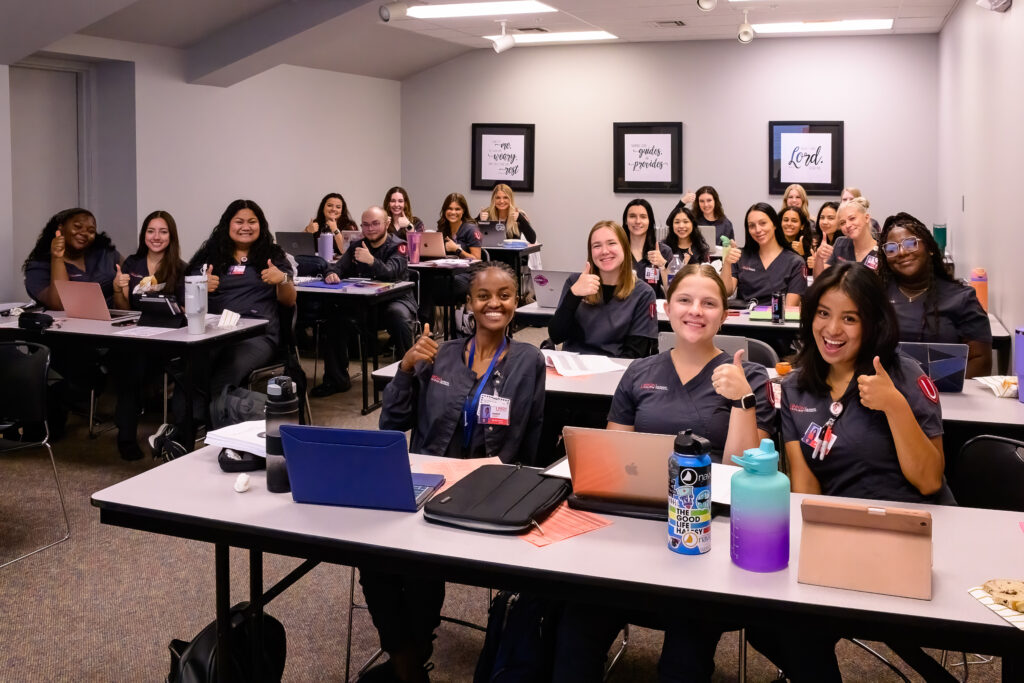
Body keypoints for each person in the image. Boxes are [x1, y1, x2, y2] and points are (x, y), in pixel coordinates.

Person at [553, 265, 839, 683]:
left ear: (724, 315)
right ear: (668, 308)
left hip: (712, 533)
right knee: (577, 624)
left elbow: (742, 475)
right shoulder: (640, 372)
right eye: (685, 301)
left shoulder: (752, 377)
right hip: (640, 525)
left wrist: (741, 400)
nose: (695, 311)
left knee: (685, 654)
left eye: (709, 303)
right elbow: (613, 459)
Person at [366, 261, 545, 682]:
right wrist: (407, 368)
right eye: (483, 296)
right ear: (468, 304)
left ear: (516, 303)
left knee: (422, 566)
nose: (493, 303)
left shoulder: (528, 360)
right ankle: (410, 659)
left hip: (490, 492)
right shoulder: (441, 353)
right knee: (373, 560)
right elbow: (391, 425)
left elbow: (532, 435)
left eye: (504, 295)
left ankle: (408, 662)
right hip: (427, 484)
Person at [780, 261, 958, 682]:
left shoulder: (902, 374)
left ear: (872, 322)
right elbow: (805, 488)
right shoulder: (796, 388)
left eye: (849, 318)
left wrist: (894, 405)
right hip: (848, 534)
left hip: (916, 531)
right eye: (823, 313)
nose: (832, 329)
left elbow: (930, 479)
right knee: (774, 622)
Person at [164, 199, 295, 448]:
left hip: (258, 335)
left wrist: (283, 279)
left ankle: (211, 440)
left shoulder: (273, 255)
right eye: (239, 221)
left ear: (261, 225)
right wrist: (200, 285)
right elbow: (185, 296)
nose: (245, 226)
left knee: (224, 373)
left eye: (252, 222)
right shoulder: (210, 255)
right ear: (228, 225)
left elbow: (289, 302)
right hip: (215, 331)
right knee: (189, 369)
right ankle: (183, 438)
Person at [311, 206, 417, 397]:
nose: (370, 229)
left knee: (397, 316)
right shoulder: (357, 245)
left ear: (386, 224)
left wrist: (371, 261)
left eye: (375, 224)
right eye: (365, 225)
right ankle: (336, 380)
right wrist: (332, 273)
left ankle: (409, 378)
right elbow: (337, 266)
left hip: (394, 301)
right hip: (365, 304)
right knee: (335, 318)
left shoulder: (398, 245)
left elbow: (392, 273)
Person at [109, 210, 187, 460]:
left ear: (171, 236)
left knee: (134, 362)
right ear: (144, 235)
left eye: (163, 232)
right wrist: (118, 289)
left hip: (167, 339)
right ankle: (126, 435)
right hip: (135, 334)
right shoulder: (131, 264)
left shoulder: (181, 268)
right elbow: (123, 309)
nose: (156, 237)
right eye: (151, 231)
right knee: (127, 360)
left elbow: (185, 311)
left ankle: (131, 430)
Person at [878, 212, 992, 377]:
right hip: (884, 392)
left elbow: (981, 361)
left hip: (946, 397)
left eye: (911, 244)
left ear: (930, 248)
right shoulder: (878, 296)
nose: (901, 252)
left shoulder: (961, 298)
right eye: (891, 249)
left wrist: (933, 391)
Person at [548, 220, 658, 358]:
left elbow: (636, 354)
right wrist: (573, 295)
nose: (604, 251)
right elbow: (557, 336)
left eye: (612, 243)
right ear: (591, 252)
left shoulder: (643, 293)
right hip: (575, 368)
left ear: (624, 247)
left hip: (617, 370)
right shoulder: (575, 282)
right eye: (597, 246)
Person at [23, 207, 120, 309]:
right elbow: (60, 303)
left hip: (117, 320)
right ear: (60, 228)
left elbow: (131, 280)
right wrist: (57, 258)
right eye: (77, 227)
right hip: (68, 323)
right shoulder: (39, 266)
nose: (84, 233)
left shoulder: (105, 253)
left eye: (91, 231)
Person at [721, 203, 807, 306]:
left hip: (776, 319)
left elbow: (790, 308)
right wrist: (727, 263)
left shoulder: (795, 262)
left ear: (775, 224)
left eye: (763, 223)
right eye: (752, 226)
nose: (757, 230)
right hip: (743, 320)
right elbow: (726, 292)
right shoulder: (740, 256)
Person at [623, 198, 672, 297]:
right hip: (623, 307)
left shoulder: (663, 251)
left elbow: (672, 292)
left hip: (652, 309)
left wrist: (662, 265)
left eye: (643, 217)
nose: (637, 221)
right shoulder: (617, 250)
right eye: (632, 216)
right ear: (625, 221)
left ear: (650, 221)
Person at [816, 197, 880, 272]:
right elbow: (821, 278)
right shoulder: (840, 244)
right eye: (842, 223)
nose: (848, 225)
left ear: (866, 218)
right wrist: (818, 258)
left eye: (852, 218)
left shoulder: (882, 252)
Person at [437, 192, 481, 260]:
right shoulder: (443, 227)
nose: (453, 212)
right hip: (444, 268)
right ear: (445, 210)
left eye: (457, 209)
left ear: (463, 211)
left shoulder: (471, 229)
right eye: (449, 208)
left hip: (466, 269)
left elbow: (477, 259)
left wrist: (457, 250)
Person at [780, 205, 816, 272]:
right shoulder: (773, 243)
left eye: (794, 221)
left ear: (802, 226)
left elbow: (808, 274)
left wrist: (801, 254)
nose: (789, 223)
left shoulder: (809, 247)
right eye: (785, 220)